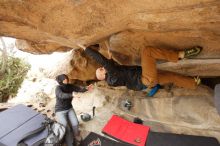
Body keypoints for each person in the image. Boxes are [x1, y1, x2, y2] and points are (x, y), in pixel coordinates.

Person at [81, 44, 202, 96]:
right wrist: (86, 49)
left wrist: (110, 58)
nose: (103, 68)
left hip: (147, 82)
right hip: (145, 79)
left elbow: (112, 66)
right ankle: (180, 55)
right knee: (147, 51)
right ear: (103, 75)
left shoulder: (113, 77)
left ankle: (193, 83)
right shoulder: (112, 76)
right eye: (101, 69)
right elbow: (103, 62)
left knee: (171, 77)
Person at [55, 74, 92, 146]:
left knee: (75, 123)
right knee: (65, 126)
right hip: (60, 111)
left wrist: (86, 88)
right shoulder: (58, 88)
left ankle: (76, 135)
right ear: (60, 81)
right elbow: (61, 95)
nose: (66, 80)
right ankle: (70, 142)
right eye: (64, 79)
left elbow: (79, 88)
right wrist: (72, 95)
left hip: (69, 108)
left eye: (66, 78)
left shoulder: (70, 86)